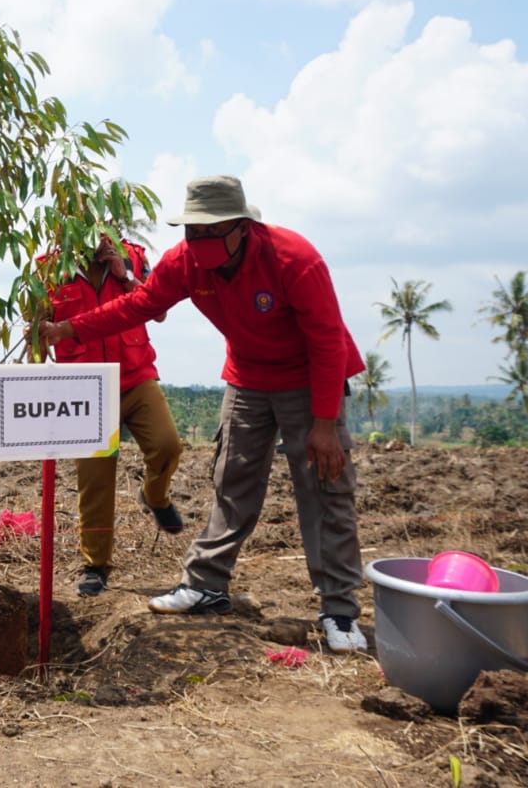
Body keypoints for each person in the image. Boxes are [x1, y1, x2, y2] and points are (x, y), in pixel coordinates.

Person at [39, 175, 368, 653]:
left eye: (209, 231)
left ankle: (339, 609)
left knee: (324, 488)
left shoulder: (294, 259)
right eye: (191, 230)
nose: (197, 241)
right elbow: (139, 305)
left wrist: (323, 424)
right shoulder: (185, 260)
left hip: (309, 378)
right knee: (232, 480)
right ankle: (206, 585)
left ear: (241, 227)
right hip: (248, 378)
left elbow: (328, 340)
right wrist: (68, 329)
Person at [46, 231, 184, 598]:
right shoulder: (49, 268)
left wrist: (126, 276)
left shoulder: (133, 256)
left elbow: (159, 312)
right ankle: (96, 565)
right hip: (86, 387)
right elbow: (39, 330)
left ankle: (155, 496)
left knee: (168, 446)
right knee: (95, 480)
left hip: (136, 375)